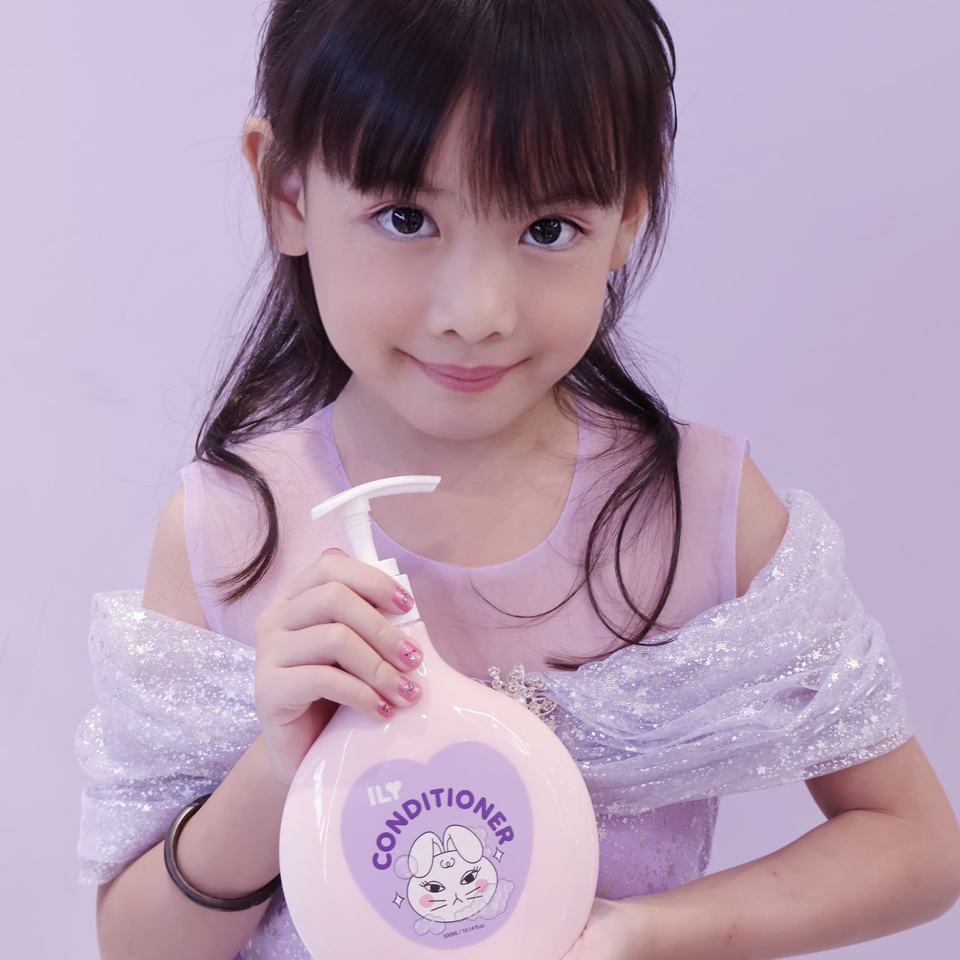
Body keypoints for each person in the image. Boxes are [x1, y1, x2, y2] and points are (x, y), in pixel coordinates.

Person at [78, 1, 960, 959]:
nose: (477, 311)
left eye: (547, 228)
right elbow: (138, 947)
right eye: (406, 217)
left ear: (629, 213)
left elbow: (913, 845)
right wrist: (277, 766)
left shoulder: (698, 509)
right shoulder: (230, 532)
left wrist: (636, 936)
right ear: (286, 189)